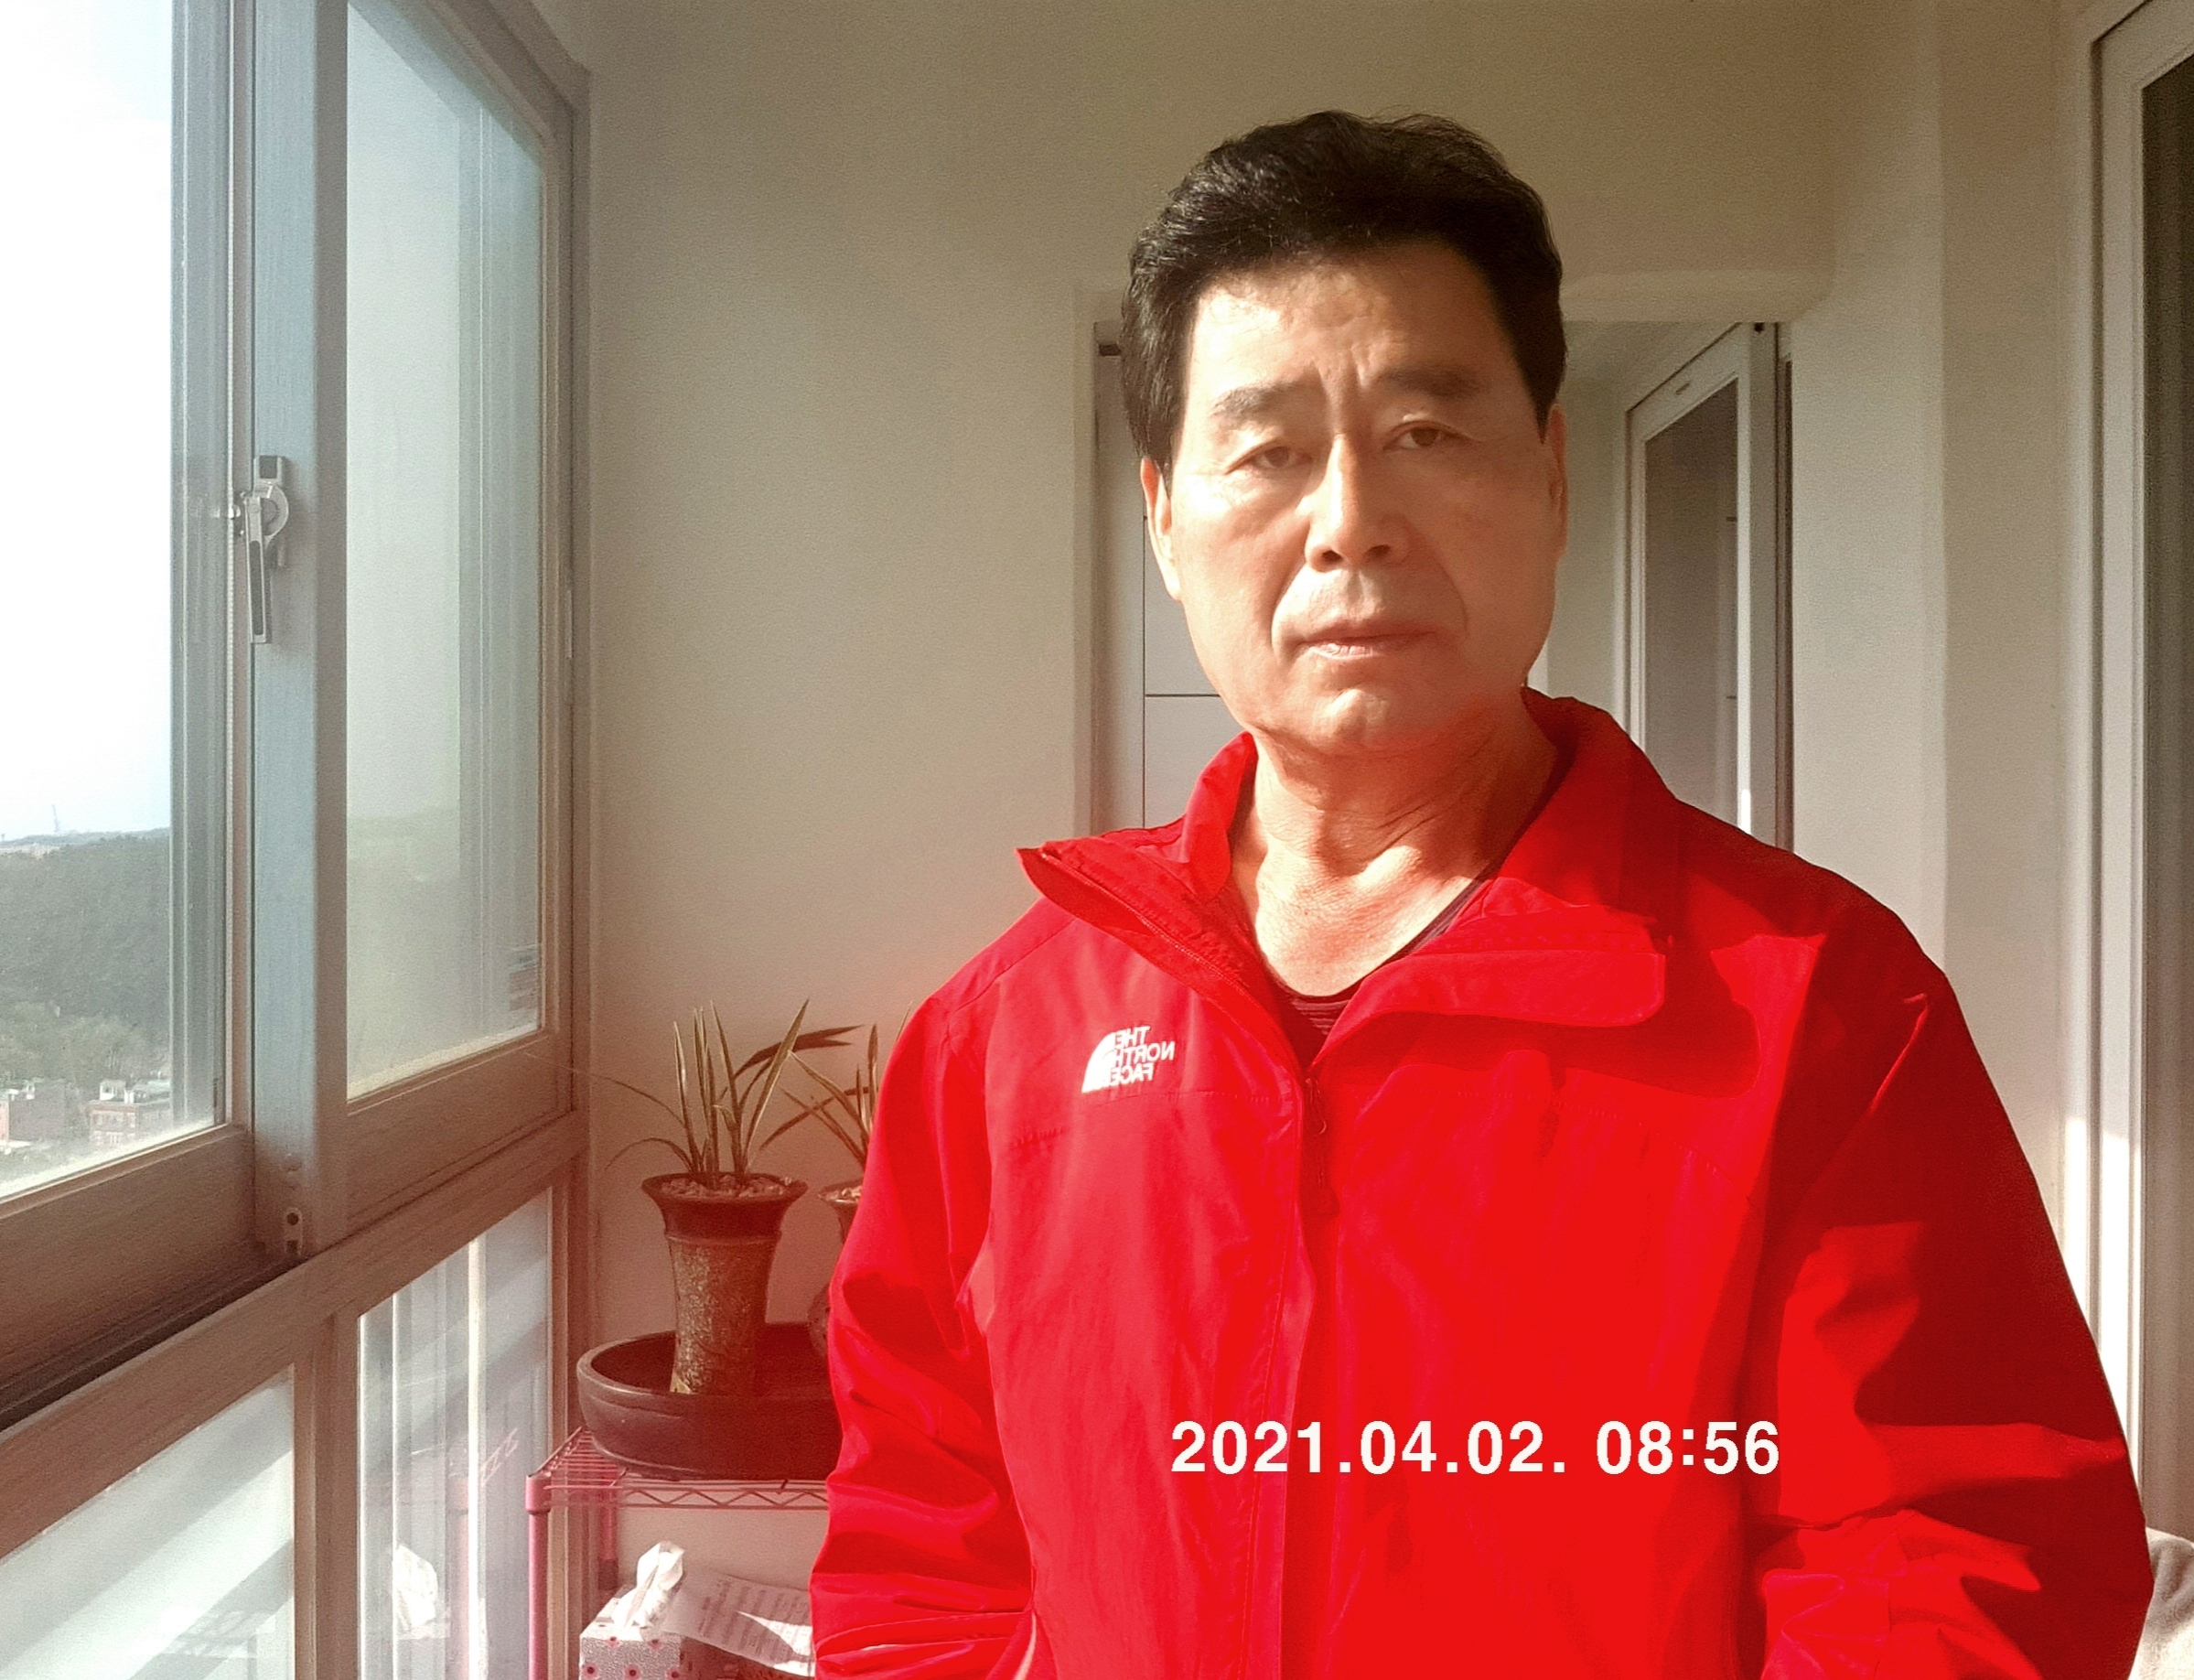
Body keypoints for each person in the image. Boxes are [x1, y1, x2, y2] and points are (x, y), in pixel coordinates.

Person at [806, 110, 2154, 1678]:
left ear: (1552, 475)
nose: (1350, 523)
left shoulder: (1813, 1007)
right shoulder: (1004, 1036)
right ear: (1166, 519)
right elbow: (921, 1551)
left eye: (1426, 434)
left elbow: (1950, 1564)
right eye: (1268, 452)